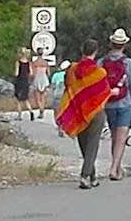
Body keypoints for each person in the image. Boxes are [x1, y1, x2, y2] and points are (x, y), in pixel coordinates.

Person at [56, 39, 110, 190]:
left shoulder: (72, 70)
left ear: (82, 50)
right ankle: (85, 176)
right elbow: (104, 92)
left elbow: (68, 87)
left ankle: (92, 176)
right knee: (92, 145)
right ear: (96, 51)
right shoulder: (100, 73)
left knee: (83, 144)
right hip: (95, 111)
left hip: (77, 110)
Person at [101, 28, 131, 181]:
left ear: (111, 43)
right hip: (125, 104)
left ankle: (117, 167)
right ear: (124, 45)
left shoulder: (101, 62)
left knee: (114, 137)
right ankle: (114, 169)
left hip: (108, 104)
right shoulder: (128, 63)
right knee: (121, 138)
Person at [13, 48, 33, 121]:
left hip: (19, 82)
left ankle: (19, 115)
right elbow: (31, 73)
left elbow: (16, 73)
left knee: (19, 100)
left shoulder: (18, 62)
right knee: (26, 99)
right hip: (26, 82)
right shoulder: (29, 63)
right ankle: (31, 112)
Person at [30, 50, 51, 120]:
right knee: (43, 97)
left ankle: (40, 109)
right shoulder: (45, 62)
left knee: (37, 97)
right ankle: (42, 109)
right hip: (44, 79)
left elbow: (32, 73)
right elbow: (49, 73)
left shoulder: (35, 63)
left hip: (37, 78)